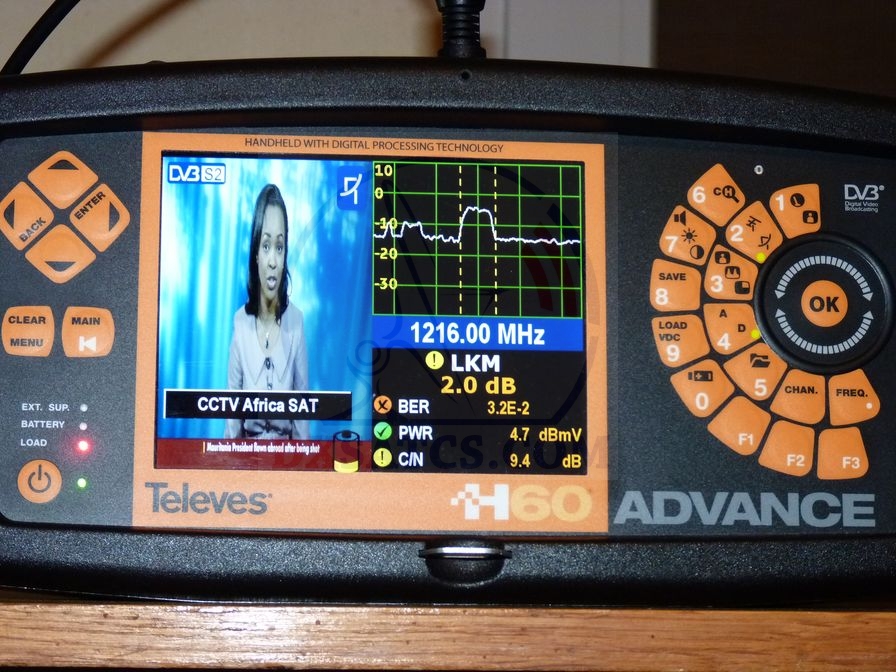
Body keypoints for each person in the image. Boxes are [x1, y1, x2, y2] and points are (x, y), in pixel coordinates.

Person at [226, 184, 309, 439]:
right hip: (246, 460)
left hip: (287, 461)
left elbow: (303, 421)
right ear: (255, 254)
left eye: (279, 247)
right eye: (265, 246)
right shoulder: (240, 323)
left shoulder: (296, 322)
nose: (273, 260)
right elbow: (231, 423)